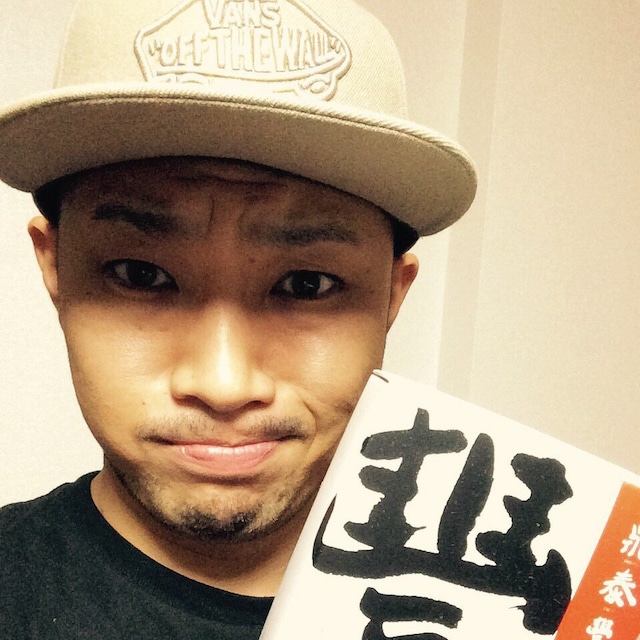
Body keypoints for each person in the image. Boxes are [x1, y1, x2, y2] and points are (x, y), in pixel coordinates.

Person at [0, 0, 476, 638]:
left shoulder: (523, 613)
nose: (224, 384)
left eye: (306, 285)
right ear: (54, 267)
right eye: (141, 275)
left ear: (393, 295)